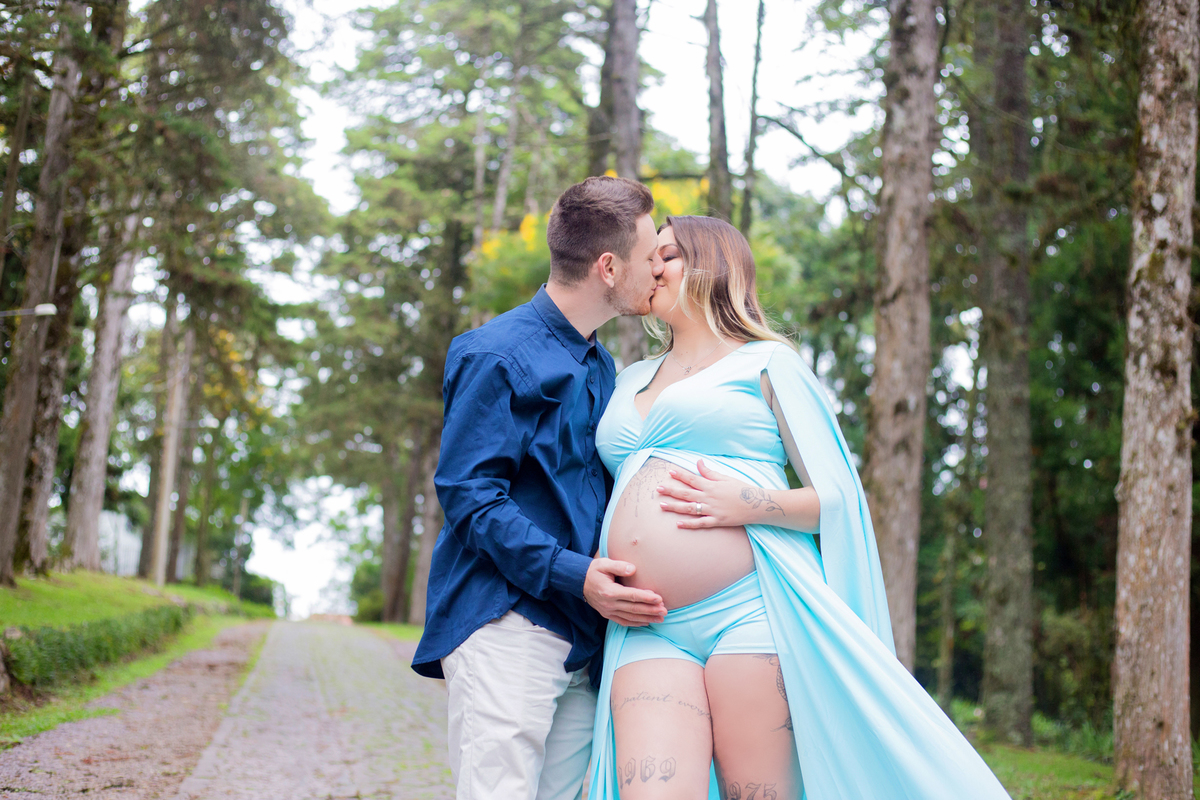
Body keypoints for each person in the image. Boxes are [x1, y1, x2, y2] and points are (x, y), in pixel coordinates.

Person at [588, 215, 1012, 800]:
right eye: (650, 256)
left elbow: (836, 500)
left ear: (712, 265)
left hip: (748, 612)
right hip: (646, 625)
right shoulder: (627, 376)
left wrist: (747, 502)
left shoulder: (768, 363)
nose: (653, 267)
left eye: (668, 255)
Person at [411, 176, 671, 800]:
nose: (659, 270)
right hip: (507, 624)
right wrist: (575, 575)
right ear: (608, 267)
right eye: (650, 257)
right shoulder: (495, 353)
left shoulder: (602, 366)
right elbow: (471, 497)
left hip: (583, 637)